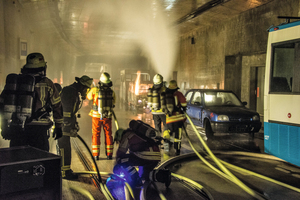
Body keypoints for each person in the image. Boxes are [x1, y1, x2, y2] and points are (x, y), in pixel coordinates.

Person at [0, 52, 63, 151]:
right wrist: (59, 127)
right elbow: (57, 106)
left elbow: (3, 103)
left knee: (17, 161)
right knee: (40, 162)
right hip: (39, 131)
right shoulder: (47, 84)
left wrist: (4, 127)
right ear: (43, 68)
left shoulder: (15, 82)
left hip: (18, 128)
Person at [108, 120, 170, 198]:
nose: (118, 143)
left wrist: (116, 168)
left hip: (145, 156)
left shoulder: (127, 135)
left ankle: (135, 179)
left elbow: (120, 153)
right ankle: (164, 175)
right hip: (155, 156)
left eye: (118, 141)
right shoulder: (137, 134)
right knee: (145, 175)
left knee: (121, 161)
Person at [57, 75, 93, 180]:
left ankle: (66, 170)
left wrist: (74, 123)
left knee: (66, 147)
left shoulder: (73, 92)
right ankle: (64, 172)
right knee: (64, 148)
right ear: (82, 86)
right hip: (63, 125)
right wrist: (69, 126)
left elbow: (72, 112)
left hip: (64, 124)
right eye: (86, 89)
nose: (86, 92)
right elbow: (66, 111)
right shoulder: (70, 92)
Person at [86, 72, 116, 160]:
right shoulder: (111, 92)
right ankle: (109, 155)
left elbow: (88, 97)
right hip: (108, 116)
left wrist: (89, 89)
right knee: (108, 134)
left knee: (96, 134)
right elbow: (113, 102)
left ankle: (96, 155)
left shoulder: (95, 90)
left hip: (96, 116)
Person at [163, 80, 187, 156]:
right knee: (178, 134)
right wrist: (183, 108)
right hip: (178, 118)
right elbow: (184, 103)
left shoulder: (165, 94)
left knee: (167, 133)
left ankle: (167, 148)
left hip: (169, 118)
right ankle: (177, 150)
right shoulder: (179, 94)